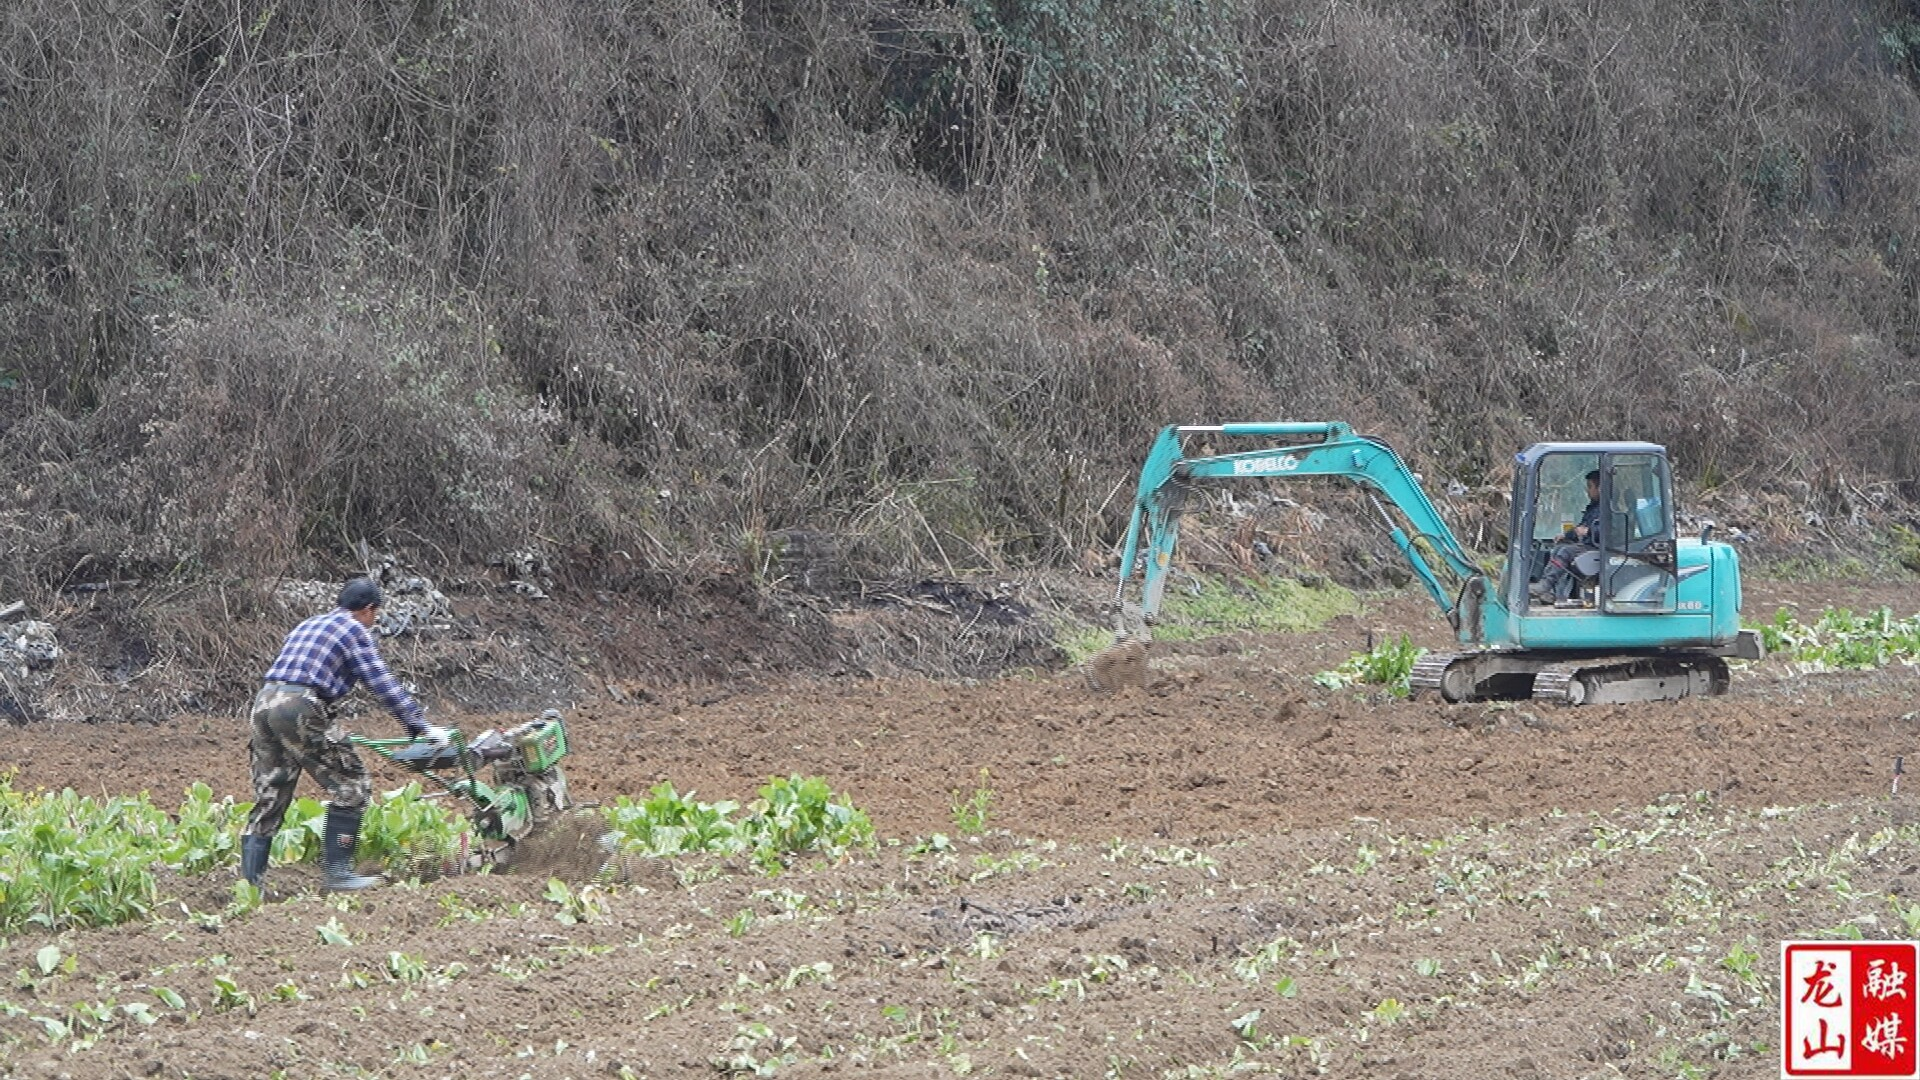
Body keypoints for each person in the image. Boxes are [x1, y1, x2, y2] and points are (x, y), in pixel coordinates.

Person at [240, 577, 448, 891]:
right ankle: (338, 876)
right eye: (375, 615)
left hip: (264, 703)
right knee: (352, 784)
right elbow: (380, 682)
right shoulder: (354, 629)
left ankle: (250, 886)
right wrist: (420, 726)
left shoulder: (309, 624)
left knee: (271, 794)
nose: (374, 621)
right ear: (368, 609)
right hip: (300, 705)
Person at [1532, 470, 1603, 603]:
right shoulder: (1593, 508)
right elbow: (1580, 528)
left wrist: (1589, 531)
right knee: (1558, 548)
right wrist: (1565, 535)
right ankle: (1550, 592)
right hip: (1588, 545)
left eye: (1590, 487)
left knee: (1565, 551)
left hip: (1599, 548)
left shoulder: (1609, 509)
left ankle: (1546, 585)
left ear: (1600, 488)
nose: (1587, 491)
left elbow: (1611, 532)